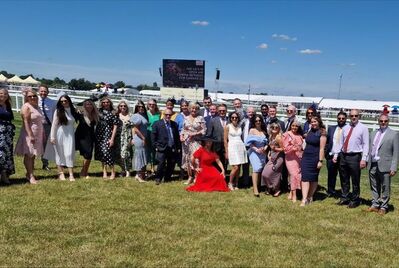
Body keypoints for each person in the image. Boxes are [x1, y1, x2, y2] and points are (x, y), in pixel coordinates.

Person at [333, 109, 369, 208]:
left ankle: (355, 199)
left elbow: (366, 144)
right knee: (344, 178)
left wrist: (364, 159)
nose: (354, 117)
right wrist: (336, 155)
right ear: (349, 116)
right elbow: (340, 142)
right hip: (343, 156)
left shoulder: (363, 128)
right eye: (352, 115)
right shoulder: (345, 128)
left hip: (355, 156)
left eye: (356, 116)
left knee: (355, 179)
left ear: (359, 116)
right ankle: (345, 197)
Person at [367, 114, 398, 215]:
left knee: (385, 187)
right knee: (374, 185)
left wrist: (393, 167)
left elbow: (396, 153)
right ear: (378, 121)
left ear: (388, 121)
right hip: (373, 164)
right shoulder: (373, 133)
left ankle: (384, 206)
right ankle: (375, 204)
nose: (383, 123)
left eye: (385, 121)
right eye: (381, 121)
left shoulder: (394, 134)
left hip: (386, 165)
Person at [45, 94, 78, 181]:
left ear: (69, 101)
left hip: (70, 135)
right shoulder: (58, 111)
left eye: (65, 101)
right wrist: (52, 137)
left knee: (69, 154)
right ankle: (61, 173)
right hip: (59, 134)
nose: (63, 103)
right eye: (62, 101)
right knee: (59, 154)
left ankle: (71, 174)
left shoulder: (73, 110)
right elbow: (54, 125)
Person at [15, 88, 44, 184]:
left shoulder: (37, 106)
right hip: (29, 134)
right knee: (29, 155)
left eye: (34, 95)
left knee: (33, 155)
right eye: (30, 96)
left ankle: (30, 173)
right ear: (26, 98)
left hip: (38, 133)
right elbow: (26, 122)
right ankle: (30, 175)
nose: (32, 97)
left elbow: (39, 121)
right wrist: (30, 135)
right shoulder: (26, 106)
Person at [300, 116, 326, 206]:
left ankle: (310, 197)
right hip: (306, 157)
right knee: (304, 178)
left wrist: (320, 161)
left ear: (319, 122)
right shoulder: (310, 131)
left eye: (315, 121)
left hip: (315, 158)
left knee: (313, 178)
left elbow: (322, 149)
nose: (313, 123)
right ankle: (304, 199)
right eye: (312, 122)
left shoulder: (322, 133)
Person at [151, 108, 181, 185]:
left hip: (172, 147)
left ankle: (167, 177)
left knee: (171, 163)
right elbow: (153, 136)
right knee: (161, 163)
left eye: (169, 115)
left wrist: (177, 147)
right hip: (161, 147)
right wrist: (156, 146)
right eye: (166, 114)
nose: (168, 116)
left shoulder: (174, 124)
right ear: (163, 115)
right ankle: (158, 178)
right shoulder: (157, 123)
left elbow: (176, 137)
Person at [180, 102, 206, 184]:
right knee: (187, 159)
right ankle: (190, 177)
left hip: (196, 142)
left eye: (195, 108)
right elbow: (183, 129)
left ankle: (196, 177)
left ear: (198, 110)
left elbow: (204, 130)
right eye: (192, 108)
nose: (193, 110)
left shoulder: (200, 118)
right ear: (189, 109)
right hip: (187, 142)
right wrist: (181, 136)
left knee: (195, 160)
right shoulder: (186, 118)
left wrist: (195, 134)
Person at [95, 96, 119, 180]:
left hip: (108, 134)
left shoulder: (113, 112)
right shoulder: (99, 111)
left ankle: (112, 171)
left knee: (107, 152)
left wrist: (112, 138)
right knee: (102, 153)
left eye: (107, 102)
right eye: (104, 102)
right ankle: (104, 171)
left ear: (110, 103)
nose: (105, 104)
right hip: (99, 134)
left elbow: (115, 126)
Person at [75, 98, 99, 179]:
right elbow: (72, 111)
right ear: (84, 105)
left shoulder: (95, 115)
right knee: (87, 154)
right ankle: (83, 172)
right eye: (87, 104)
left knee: (89, 155)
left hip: (91, 137)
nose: (89, 106)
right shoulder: (80, 114)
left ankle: (84, 172)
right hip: (81, 137)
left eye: (90, 104)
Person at [325, 111, 347, 197]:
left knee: (343, 175)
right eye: (339, 118)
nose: (341, 120)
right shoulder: (331, 128)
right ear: (337, 119)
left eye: (343, 118)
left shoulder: (348, 129)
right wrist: (326, 152)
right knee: (331, 175)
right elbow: (328, 141)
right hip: (331, 155)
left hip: (342, 156)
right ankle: (330, 191)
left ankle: (344, 192)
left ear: (345, 119)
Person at [245, 114, 268, 197]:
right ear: (254, 122)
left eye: (259, 120)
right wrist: (256, 149)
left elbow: (267, 142)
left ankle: (258, 186)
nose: (258, 122)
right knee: (256, 168)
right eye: (256, 121)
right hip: (254, 152)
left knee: (260, 169)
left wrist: (264, 148)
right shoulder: (252, 130)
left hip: (262, 152)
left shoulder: (264, 131)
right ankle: (255, 189)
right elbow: (249, 143)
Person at [224, 111, 248, 190]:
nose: (234, 119)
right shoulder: (228, 126)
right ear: (230, 118)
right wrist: (226, 151)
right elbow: (225, 140)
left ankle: (236, 183)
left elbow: (241, 137)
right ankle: (230, 183)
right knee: (235, 167)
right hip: (232, 147)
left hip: (240, 147)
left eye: (236, 117)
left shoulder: (240, 127)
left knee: (239, 167)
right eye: (233, 117)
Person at [283, 120, 304, 202]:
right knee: (293, 175)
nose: (294, 127)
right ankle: (294, 195)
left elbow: (301, 148)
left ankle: (291, 193)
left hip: (298, 159)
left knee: (297, 176)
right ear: (290, 126)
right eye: (293, 125)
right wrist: (292, 149)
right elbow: (285, 149)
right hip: (290, 158)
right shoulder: (286, 134)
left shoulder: (300, 136)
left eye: (296, 126)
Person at [261, 122, 284, 196]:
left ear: (279, 129)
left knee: (276, 174)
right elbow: (270, 148)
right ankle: (271, 187)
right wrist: (268, 154)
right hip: (272, 157)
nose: (274, 128)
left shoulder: (279, 137)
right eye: (273, 127)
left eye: (276, 127)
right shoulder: (271, 136)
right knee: (265, 174)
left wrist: (275, 148)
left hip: (279, 158)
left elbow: (283, 149)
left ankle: (277, 189)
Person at [206, 104, 229, 172]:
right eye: (220, 110)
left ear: (226, 111)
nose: (222, 112)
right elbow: (209, 134)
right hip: (216, 146)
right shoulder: (213, 120)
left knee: (225, 162)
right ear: (218, 111)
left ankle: (223, 178)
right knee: (215, 163)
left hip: (227, 146)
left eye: (223, 110)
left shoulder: (230, 120)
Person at [38, 85, 56, 170]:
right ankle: (31, 163)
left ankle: (45, 164)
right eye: (41, 91)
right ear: (38, 91)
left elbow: (54, 114)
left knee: (46, 145)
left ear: (48, 92)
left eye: (45, 91)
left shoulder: (52, 102)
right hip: (37, 126)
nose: (43, 93)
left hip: (48, 126)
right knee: (35, 144)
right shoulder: (35, 100)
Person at [131, 100, 149, 182]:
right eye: (139, 107)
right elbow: (136, 129)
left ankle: (140, 174)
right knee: (139, 156)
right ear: (136, 108)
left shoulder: (144, 115)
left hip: (143, 138)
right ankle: (138, 175)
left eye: (142, 106)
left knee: (142, 155)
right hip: (139, 138)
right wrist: (143, 138)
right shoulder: (136, 116)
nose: (141, 108)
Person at [0, 88, 15, 184]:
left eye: (5, 94)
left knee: (7, 154)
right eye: (1, 93)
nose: (3, 95)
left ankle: (4, 175)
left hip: (8, 133)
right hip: (0, 132)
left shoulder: (8, 105)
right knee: (0, 154)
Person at [116, 100, 134, 177]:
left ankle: (127, 171)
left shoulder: (130, 116)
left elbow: (133, 128)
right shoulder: (117, 115)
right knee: (120, 155)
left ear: (127, 107)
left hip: (127, 137)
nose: (123, 107)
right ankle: (123, 169)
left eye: (124, 106)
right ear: (119, 107)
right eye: (121, 106)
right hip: (119, 137)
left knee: (126, 154)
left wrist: (133, 138)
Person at [241, 106, 256, 188]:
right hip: (245, 146)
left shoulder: (257, 122)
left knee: (254, 166)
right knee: (245, 166)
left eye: (252, 112)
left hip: (254, 147)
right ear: (246, 113)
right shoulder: (244, 122)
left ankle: (255, 183)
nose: (251, 113)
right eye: (249, 112)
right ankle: (245, 182)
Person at [146, 99, 161, 174]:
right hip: (146, 135)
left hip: (155, 136)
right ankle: (145, 167)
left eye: (153, 104)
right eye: (150, 104)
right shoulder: (145, 113)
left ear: (155, 105)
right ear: (148, 105)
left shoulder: (158, 114)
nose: (152, 106)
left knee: (154, 152)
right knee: (147, 151)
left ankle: (153, 167)